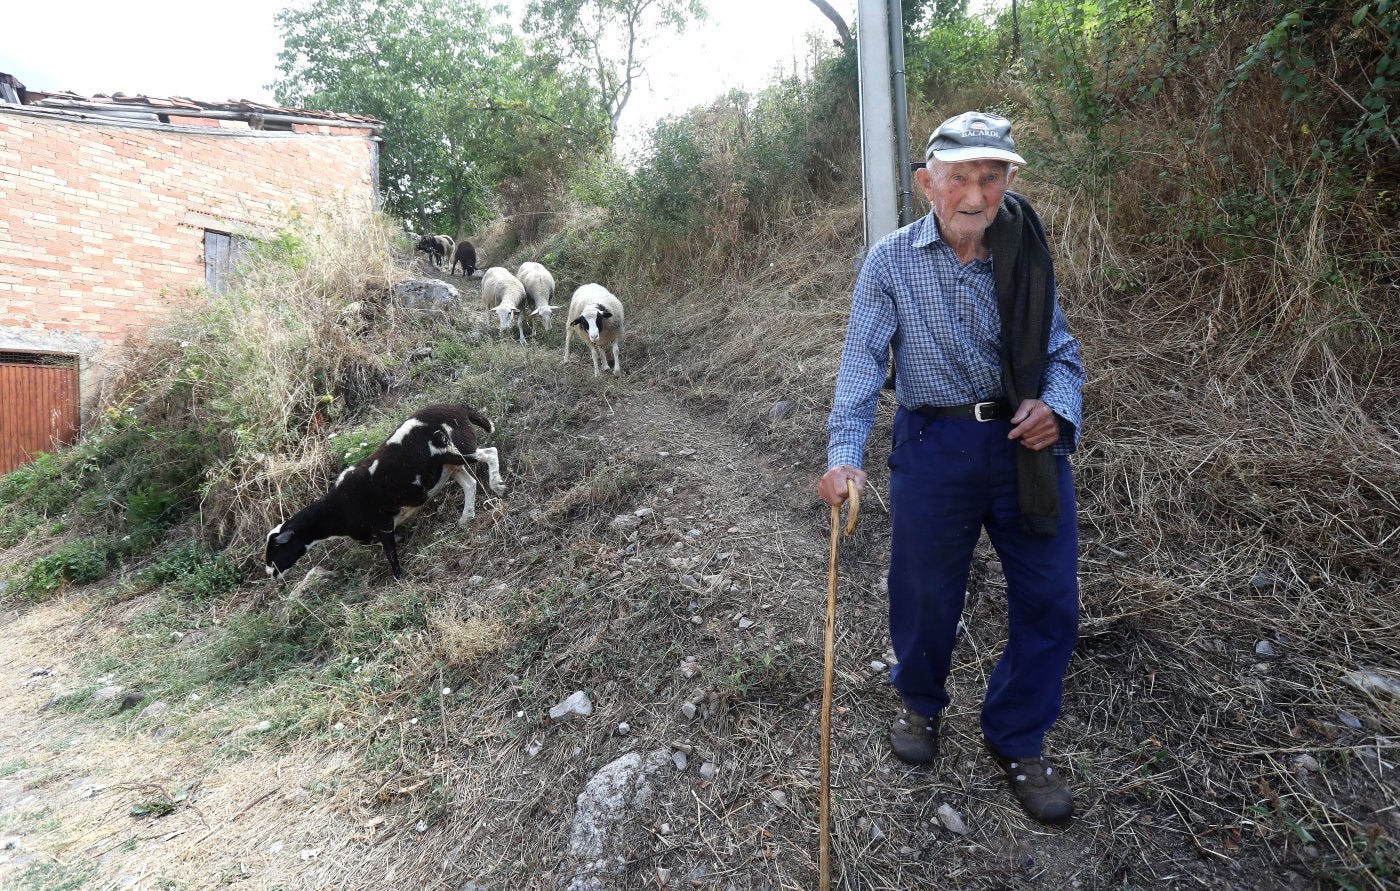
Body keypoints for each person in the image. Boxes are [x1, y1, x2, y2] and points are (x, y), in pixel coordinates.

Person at [818, 111, 1085, 824]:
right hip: (933, 446)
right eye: (959, 177)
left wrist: (1056, 408)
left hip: (1025, 451)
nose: (975, 195)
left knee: (1053, 602)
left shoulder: (1023, 249)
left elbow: (1061, 351)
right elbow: (860, 366)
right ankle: (921, 703)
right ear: (925, 183)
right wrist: (844, 456)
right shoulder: (891, 261)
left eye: (991, 177)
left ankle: (1017, 734)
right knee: (925, 595)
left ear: (1010, 182)